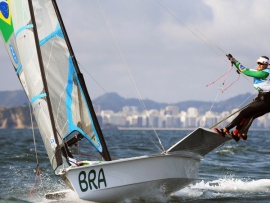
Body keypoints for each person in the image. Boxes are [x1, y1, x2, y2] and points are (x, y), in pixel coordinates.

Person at [214, 54, 270, 141]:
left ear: (266, 64)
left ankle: (225, 130)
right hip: (262, 98)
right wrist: (235, 63)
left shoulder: (264, 73)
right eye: (258, 63)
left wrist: (235, 61)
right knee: (249, 115)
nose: (259, 65)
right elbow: (247, 70)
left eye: (261, 64)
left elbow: (246, 71)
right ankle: (237, 133)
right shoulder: (262, 71)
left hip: (266, 101)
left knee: (244, 113)